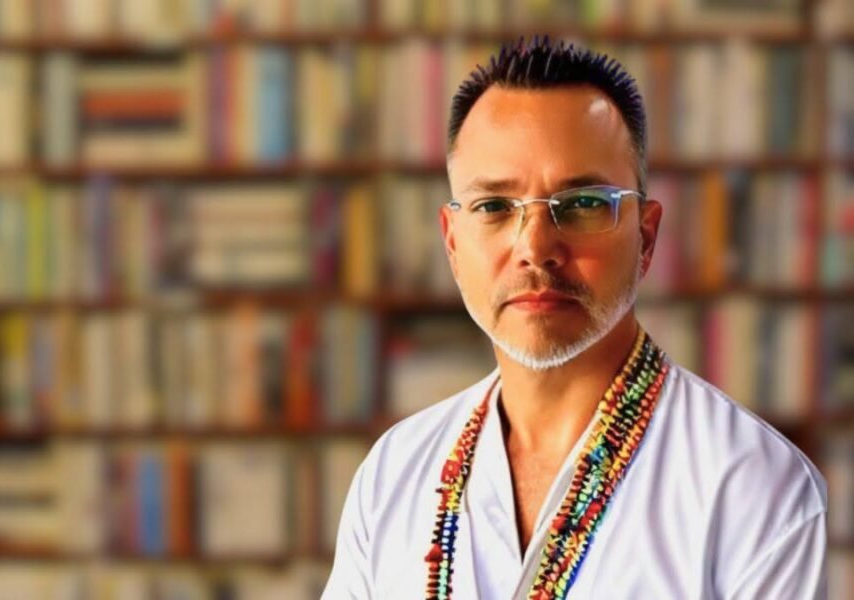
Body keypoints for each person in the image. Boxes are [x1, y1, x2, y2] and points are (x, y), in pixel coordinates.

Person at [322, 37, 827, 599]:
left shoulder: (752, 488)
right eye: (494, 207)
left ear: (646, 237)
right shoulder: (394, 475)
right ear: (452, 242)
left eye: (583, 204)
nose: (535, 248)